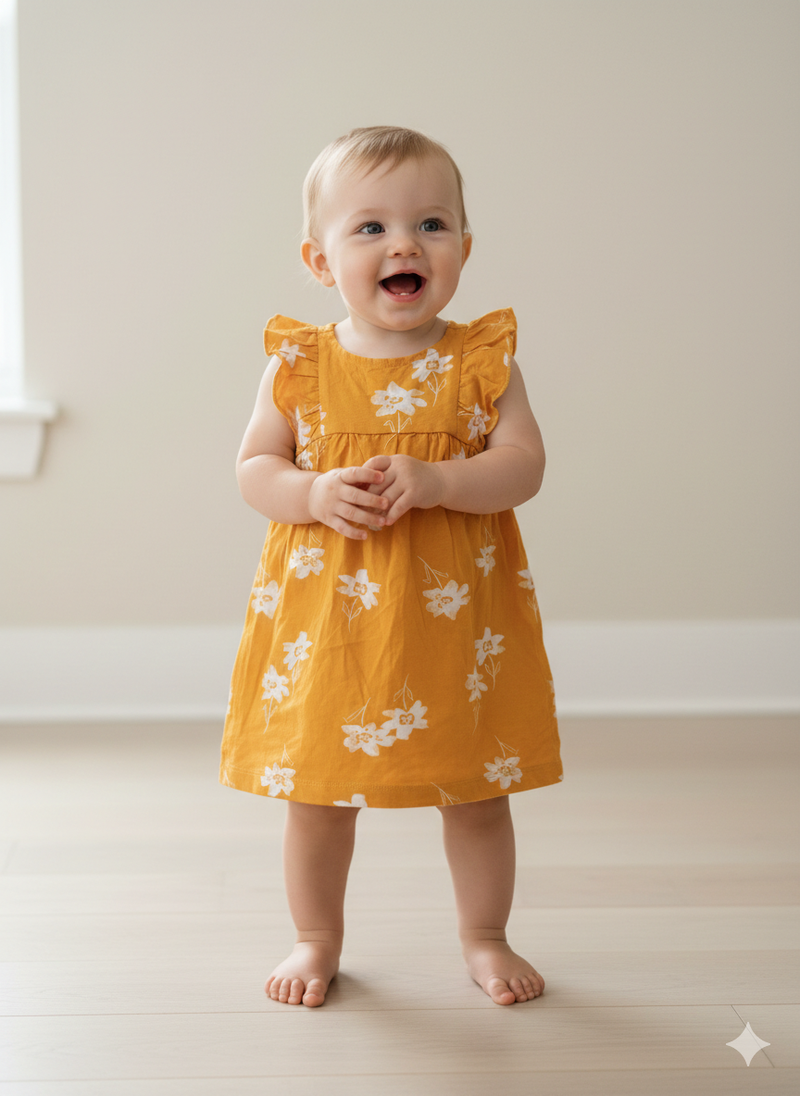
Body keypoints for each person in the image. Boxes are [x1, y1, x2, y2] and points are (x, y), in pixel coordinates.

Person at [220, 125, 563, 1009]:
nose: (404, 244)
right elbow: (256, 470)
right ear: (321, 260)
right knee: (320, 795)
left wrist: (443, 477)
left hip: (453, 629)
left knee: (477, 790)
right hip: (331, 627)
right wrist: (311, 494)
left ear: (462, 249)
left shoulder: (481, 363)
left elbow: (523, 466)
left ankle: (486, 935)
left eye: (431, 225)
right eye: (369, 228)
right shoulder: (300, 365)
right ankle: (315, 937)